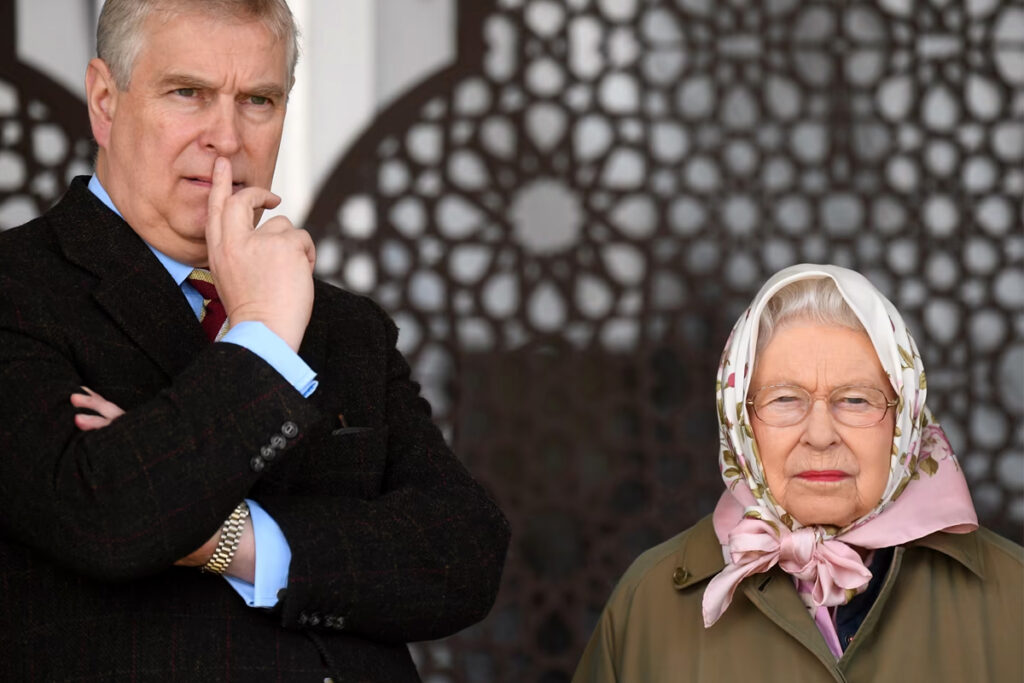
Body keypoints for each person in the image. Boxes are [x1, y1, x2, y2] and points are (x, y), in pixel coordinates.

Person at [0, 1, 509, 680]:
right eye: (189, 93)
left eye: (258, 100)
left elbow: (463, 556)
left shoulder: (343, 324)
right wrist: (263, 340)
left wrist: (229, 538)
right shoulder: (18, 289)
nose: (227, 138)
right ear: (104, 100)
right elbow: (107, 515)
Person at [573, 264, 1023, 682]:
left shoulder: (1012, 598)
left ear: (903, 423)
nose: (821, 435)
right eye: (785, 400)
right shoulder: (647, 604)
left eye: (856, 400)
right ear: (741, 423)